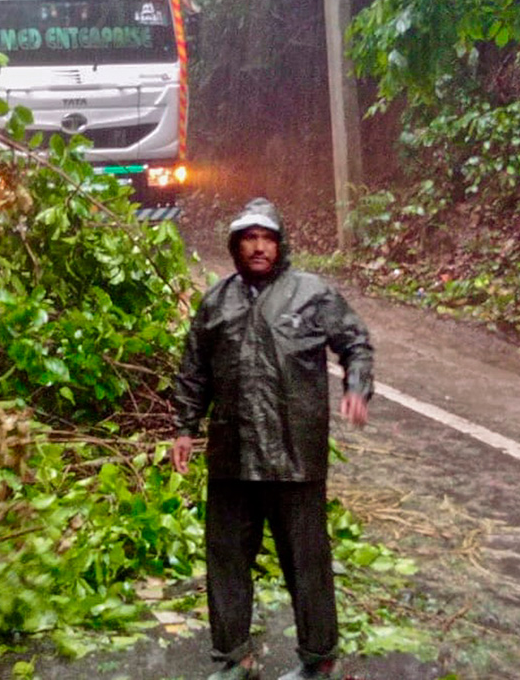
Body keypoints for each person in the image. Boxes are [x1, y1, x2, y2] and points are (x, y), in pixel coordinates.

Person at [170, 198, 373, 680]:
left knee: (307, 562)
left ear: (279, 245)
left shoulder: (312, 293)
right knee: (225, 559)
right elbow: (193, 370)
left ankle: (318, 659)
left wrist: (356, 386)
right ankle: (234, 657)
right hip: (231, 456)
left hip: (294, 457)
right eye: (250, 239)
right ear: (236, 245)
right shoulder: (216, 301)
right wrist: (184, 426)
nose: (259, 248)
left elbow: (356, 342)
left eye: (267, 239)